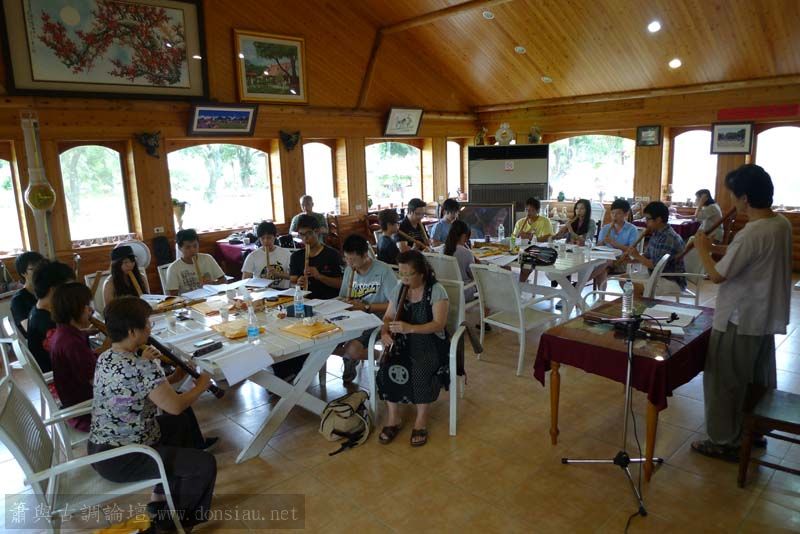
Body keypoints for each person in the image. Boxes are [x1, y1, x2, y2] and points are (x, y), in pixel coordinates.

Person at [88, 297, 217, 531]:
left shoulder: (107, 357)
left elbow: (141, 390)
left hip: (101, 448)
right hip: (123, 457)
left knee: (180, 422)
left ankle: (162, 496)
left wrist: (174, 378)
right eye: (147, 323)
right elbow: (174, 405)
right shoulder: (141, 365)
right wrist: (201, 387)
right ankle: (170, 525)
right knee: (204, 464)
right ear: (132, 331)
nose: (150, 328)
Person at [690, 165, 791, 461]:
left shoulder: (752, 233)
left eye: (734, 195)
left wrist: (703, 250)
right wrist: (715, 247)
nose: (732, 201)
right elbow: (743, 256)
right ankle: (752, 430)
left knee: (725, 381)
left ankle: (723, 441)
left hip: (739, 317)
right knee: (754, 377)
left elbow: (717, 276)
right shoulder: (780, 223)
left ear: (745, 198)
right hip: (762, 316)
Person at [377, 250, 449, 447]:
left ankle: (421, 419)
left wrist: (410, 328)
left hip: (431, 342)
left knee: (419, 370)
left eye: (409, 275)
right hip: (403, 341)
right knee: (385, 367)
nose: (404, 279)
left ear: (422, 274)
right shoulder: (400, 288)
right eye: (401, 274)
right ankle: (394, 418)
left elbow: (439, 324)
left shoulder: (436, 290)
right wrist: (384, 332)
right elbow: (388, 316)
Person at [338, 234, 398, 383]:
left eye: (352, 260)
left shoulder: (383, 271)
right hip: (353, 318)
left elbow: (395, 305)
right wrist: (345, 303)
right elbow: (343, 296)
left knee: (352, 350)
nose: (349, 263)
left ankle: (381, 356)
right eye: (346, 258)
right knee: (322, 343)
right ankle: (349, 357)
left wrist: (367, 307)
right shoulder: (349, 270)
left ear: (365, 255)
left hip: (376, 319)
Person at [49, 282, 97, 432]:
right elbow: (97, 382)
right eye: (86, 306)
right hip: (87, 412)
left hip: (77, 404)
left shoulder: (63, 332)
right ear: (74, 310)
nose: (91, 310)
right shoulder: (72, 343)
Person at [625, 201, 686, 297]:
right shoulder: (656, 233)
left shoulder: (668, 237)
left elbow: (655, 265)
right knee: (624, 279)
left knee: (634, 287)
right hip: (656, 275)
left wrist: (637, 256)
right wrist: (631, 259)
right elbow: (647, 257)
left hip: (671, 280)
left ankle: (641, 305)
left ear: (658, 220)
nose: (645, 222)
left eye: (648, 219)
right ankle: (639, 304)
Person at [27, 261, 75, 373]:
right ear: (54, 289)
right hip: (59, 373)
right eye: (69, 287)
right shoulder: (45, 321)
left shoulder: (39, 309)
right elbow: (69, 354)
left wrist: (84, 332)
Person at [289, 214, 343, 300]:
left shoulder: (332, 254)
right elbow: (293, 280)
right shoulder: (296, 256)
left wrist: (319, 276)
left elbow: (341, 284)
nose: (305, 238)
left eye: (309, 233)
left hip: (329, 301)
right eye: (301, 234)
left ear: (317, 231)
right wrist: (299, 282)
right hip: (306, 300)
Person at [592, 199, 641, 288]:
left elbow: (632, 250)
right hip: (605, 258)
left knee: (604, 264)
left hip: (623, 259)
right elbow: (597, 247)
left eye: (618, 213)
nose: (614, 216)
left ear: (626, 214)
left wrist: (614, 243)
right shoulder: (606, 228)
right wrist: (603, 242)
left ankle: (583, 282)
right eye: (612, 213)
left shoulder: (632, 229)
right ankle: (601, 295)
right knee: (603, 268)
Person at [165, 229, 225, 296]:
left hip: (211, 298)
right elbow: (173, 295)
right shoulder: (173, 268)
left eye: (195, 246)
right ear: (179, 248)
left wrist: (212, 284)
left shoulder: (207, 258)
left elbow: (223, 280)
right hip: (189, 301)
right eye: (188, 247)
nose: (192, 250)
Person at [242, 221, 292, 288]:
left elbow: (294, 277)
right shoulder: (252, 256)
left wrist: (279, 274)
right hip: (261, 291)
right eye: (262, 238)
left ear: (275, 237)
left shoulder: (286, 254)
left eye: (269, 237)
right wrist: (262, 282)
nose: (265, 241)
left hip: (282, 291)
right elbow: (245, 281)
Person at [10, 251, 45, 336]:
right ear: (23, 273)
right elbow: (30, 330)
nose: (40, 272)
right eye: (34, 268)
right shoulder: (18, 300)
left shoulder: (47, 291)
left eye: (42, 268)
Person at [443, 220, 478, 302]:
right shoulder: (466, 253)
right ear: (464, 236)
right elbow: (475, 276)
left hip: (445, 291)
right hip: (463, 292)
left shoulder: (442, 249)